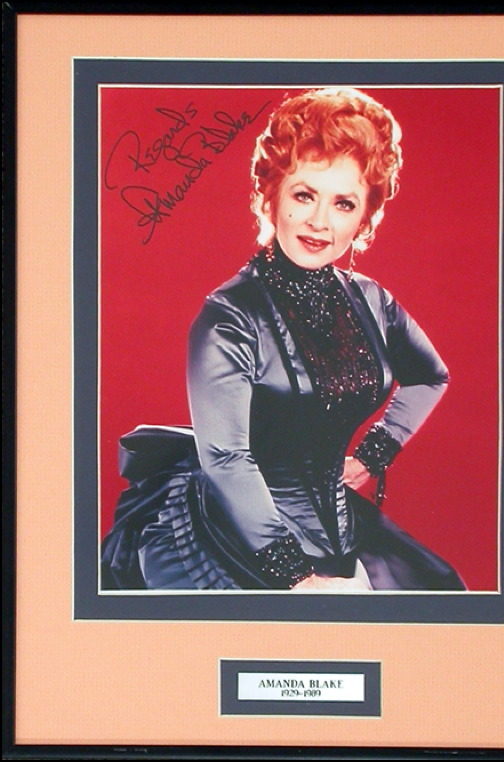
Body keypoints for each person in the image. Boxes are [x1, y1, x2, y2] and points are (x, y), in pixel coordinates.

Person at [101, 87, 465, 592]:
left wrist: (373, 456)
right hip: (241, 534)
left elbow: (430, 376)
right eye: (304, 195)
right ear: (270, 195)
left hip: (338, 528)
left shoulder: (372, 302)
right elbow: (227, 459)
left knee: (439, 590)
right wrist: (297, 577)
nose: (319, 222)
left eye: (343, 203)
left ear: (364, 217)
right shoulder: (230, 315)